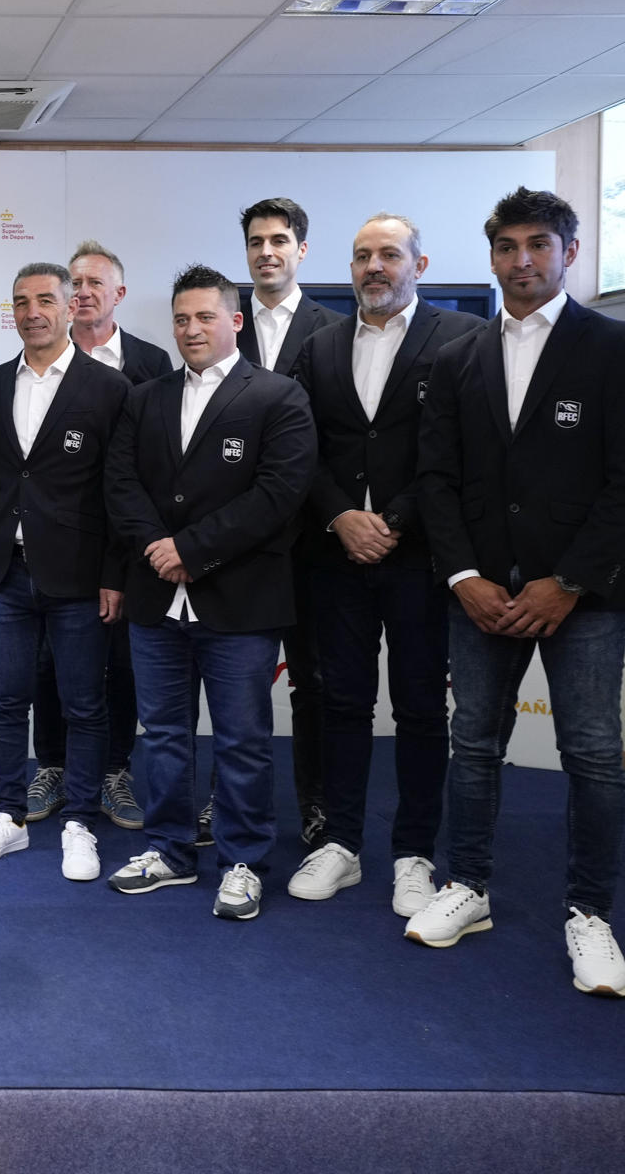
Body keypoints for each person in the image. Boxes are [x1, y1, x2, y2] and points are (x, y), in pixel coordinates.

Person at [413, 187, 625, 997]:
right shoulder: (458, 357)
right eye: (507, 247)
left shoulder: (620, 348)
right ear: (491, 257)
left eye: (538, 245)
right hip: (481, 596)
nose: (522, 261)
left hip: (582, 599)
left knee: (591, 756)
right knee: (474, 747)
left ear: (569, 251)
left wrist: (567, 582)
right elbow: (436, 480)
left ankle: (590, 915)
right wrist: (462, 577)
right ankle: (471, 889)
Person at [105, 264, 316, 921]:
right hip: (155, 598)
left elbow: (279, 495)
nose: (191, 329)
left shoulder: (278, 397)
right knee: (164, 734)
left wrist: (192, 551)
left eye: (204, 317)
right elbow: (120, 485)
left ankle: (244, 861)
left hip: (240, 602)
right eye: (181, 319)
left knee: (242, 740)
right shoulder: (145, 397)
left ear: (235, 321)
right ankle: (169, 851)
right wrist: (157, 551)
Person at [286, 215, 481, 915]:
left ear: (419, 264)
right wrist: (341, 516)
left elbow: (456, 450)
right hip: (335, 557)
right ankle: (340, 843)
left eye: (389, 254)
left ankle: (413, 855)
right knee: (340, 704)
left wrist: (392, 520)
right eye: (363, 256)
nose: (374, 266)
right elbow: (299, 447)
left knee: (423, 709)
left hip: (420, 557)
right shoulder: (320, 346)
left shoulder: (460, 338)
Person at [0, 263, 128, 880]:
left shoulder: (107, 387)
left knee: (85, 705)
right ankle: (7, 816)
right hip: (6, 573)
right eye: (21, 301)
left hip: (81, 577)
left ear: (70, 307)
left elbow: (119, 491)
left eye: (45, 300)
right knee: (7, 700)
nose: (32, 311)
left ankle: (81, 823)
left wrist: (115, 572)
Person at [26, 240, 173, 831]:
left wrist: (125, 558)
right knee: (45, 666)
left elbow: (155, 468)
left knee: (122, 664)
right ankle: (54, 766)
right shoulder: (33, 362)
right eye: (75, 284)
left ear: (119, 294)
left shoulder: (149, 363)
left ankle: (114, 770)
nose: (83, 292)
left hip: (124, 548)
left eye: (94, 284)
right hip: (51, 552)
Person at [238, 197, 345, 847]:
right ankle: (229, 804)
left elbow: (337, 441)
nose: (267, 251)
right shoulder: (219, 325)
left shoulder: (337, 331)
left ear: (301, 250)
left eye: (279, 240)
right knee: (236, 692)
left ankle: (317, 805)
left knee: (315, 685)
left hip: (311, 546)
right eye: (256, 241)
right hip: (238, 547)